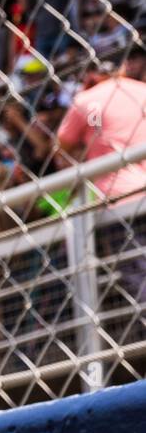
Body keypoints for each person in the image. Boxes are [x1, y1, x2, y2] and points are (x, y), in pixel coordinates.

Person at [57, 44, 146, 302]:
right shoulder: (142, 91)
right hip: (133, 193)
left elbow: (62, 147)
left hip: (120, 197)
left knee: (138, 275)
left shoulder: (86, 101)